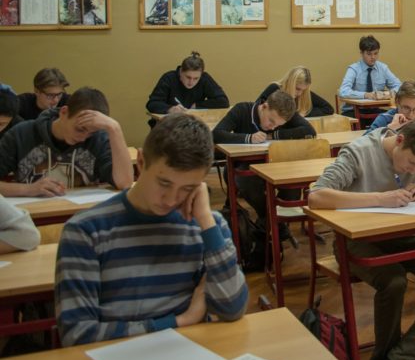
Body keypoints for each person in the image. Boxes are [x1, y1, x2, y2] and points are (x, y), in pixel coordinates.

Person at [55, 114, 247, 345]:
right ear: (141, 162)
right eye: (164, 183)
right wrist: (181, 321)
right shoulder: (85, 230)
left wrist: (206, 221)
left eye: (188, 188)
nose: (171, 199)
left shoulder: (207, 226)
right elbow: (77, 335)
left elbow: (233, 308)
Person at [308, 117, 415, 360]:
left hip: (399, 235)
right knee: (394, 281)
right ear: (399, 140)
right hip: (354, 239)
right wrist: (380, 198)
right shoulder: (359, 152)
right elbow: (316, 197)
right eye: (411, 163)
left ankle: (397, 359)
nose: (413, 170)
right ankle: (386, 359)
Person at [0, 87, 133, 198]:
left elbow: (125, 183)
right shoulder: (21, 134)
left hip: (81, 213)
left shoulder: (99, 138)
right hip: (34, 215)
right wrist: (29, 189)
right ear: (64, 112)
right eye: (80, 129)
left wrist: (115, 128)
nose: (83, 138)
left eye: (91, 133)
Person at [213, 89, 315, 225]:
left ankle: (271, 224)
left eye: (278, 125)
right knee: (246, 181)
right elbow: (216, 134)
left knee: (292, 182)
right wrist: (248, 138)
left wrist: (274, 135)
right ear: (264, 106)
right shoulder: (242, 109)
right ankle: (271, 221)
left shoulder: (285, 112)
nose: (272, 127)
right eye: (271, 121)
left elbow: (310, 131)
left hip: (274, 163)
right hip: (246, 165)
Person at [145, 52, 230, 126]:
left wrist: (197, 105)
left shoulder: (204, 78)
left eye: (196, 78)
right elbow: (152, 104)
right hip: (167, 125)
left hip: (193, 125)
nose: (191, 82)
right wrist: (170, 109)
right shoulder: (169, 78)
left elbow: (223, 101)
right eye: (188, 77)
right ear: (181, 71)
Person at [338, 35, 402, 115]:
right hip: (354, 111)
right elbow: (343, 91)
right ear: (361, 53)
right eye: (369, 54)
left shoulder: (383, 68)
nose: (373, 57)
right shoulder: (354, 69)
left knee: (396, 116)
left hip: (374, 110)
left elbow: (399, 86)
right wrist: (366, 95)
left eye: (376, 53)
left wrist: (388, 94)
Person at [259, 66, 334, 118]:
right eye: (297, 89)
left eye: (303, 90)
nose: (300, 93)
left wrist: (304, 113)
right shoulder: (275, 88)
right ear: (290, 82)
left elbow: (328, 108)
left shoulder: (305, 94)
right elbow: (257, 108)